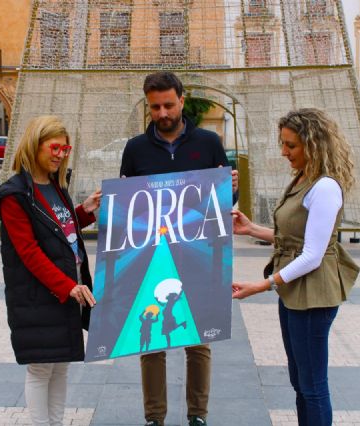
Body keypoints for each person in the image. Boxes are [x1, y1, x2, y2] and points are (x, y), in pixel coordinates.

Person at [119, 71, 239, 426]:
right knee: (150, 341)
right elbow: (128, 206)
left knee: (200, 341)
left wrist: (231, 188)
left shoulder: (209, 142)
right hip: (150, 255)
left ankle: (197, 415)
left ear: (182, 101)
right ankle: (154, 417)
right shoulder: (135, 149)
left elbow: (225, 204)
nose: (162, 113)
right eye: (155, 107)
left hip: (197, 254)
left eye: (169, 104)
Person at [231, 108, 359, 426]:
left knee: (313, 387)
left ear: (313, 145)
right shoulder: (304, 178)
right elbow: (294, 236)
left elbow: (313, 254)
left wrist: (262, 284)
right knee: (300, 382)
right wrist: (252, 229)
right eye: (282, 143)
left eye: (291, 146)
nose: (284, 152)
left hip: (314, 294)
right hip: (295, 293)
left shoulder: (325, 187)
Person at [0, 115, 102, 426]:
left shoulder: (55, 186)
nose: (60, 154)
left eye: (64, 149)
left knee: (61, 366)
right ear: (34, 145)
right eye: (54, 147)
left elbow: (58, 231)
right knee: (40, 369)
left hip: (65, 291)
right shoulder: (14, 195)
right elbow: (28, 251)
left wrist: (85, 210)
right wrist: (66, 286)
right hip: (39, 295)